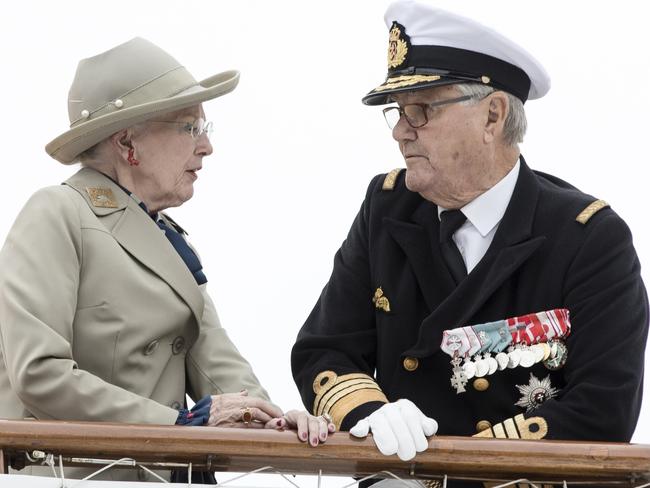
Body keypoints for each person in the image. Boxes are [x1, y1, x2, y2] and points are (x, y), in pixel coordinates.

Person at [291, 0, 649, 479]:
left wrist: (452, 464)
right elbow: (324, 348)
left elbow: (603, 411)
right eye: (398, 113)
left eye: (420, 111)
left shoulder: (588, 237)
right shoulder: (387, 206)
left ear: (492, 116)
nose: (400, 132)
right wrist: (370, 414)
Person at [0, 37, 333, 482]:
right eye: (189, 128)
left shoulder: (170, 240)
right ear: (127, 143)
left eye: (205, 128)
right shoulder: (57, 212)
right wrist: (178, 426)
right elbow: (40, 375)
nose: (206, 147)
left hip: (163, 473)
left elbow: (215, 361)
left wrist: (272, 418)